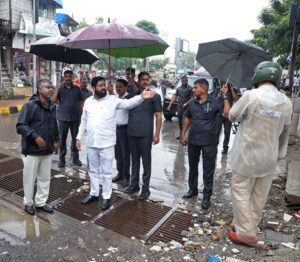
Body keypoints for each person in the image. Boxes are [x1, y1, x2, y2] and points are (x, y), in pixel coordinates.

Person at [228, 61, 292, 246]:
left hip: (246, 155)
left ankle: (246, 233)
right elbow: (285, 132)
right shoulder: (286, 102)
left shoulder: (251, 96)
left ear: (258, 76)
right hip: (269, 157)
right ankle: (247, 226)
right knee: (259, 195)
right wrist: (280, 154)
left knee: (240, 190)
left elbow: (232, 115)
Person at [76, 76, 156, 210]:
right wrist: (78, 137)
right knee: (93, 170)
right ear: (94, 88)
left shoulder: (112, 100)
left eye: (104, 85)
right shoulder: (88, 101)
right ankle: (94, 193)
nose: (104, 88)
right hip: (91, 142)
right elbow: (83, 120)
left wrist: (142, 97)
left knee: (107, 173)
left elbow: (128, 103)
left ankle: (106, 197)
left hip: (106, 143)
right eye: (100, 85)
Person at [181, 79, 230, 209]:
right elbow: (187, 117)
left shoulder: (215, 102)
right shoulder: (193, 103)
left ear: (203, 89)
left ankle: (206, 196)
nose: (193, 89)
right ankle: (193, 190)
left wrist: (225, 96)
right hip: (193, 141)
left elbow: (227, 114)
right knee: (192, 167)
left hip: (209, 142)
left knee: (208, 170)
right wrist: (183, 134)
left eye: (195, 87)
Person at [16, 79, 59, 216]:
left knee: (45, 178)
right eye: (47, 87)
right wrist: (35, 137)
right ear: (40, 90)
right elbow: (21, 126)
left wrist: (56, 140)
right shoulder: (30, 105)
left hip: (47, 150)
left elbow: (54, 125)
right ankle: (28, 203)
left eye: (52, 87)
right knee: (29, 178)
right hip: (32, 151)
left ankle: (41, 202)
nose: (51, 90)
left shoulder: (52, 106)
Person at [125, 72, 163, 200]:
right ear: (138, 81)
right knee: (134, 161)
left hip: (146, 135)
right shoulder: (131, 96)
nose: (145, 82)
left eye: (147, 80)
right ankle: (134, 184)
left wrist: (157, 134)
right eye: (142, 80)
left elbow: (158, 116)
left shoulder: (155, 97)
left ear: (150, 81)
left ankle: (145, 189)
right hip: (131, 133)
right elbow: (119, 104)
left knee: (146, 163)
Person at [52, 70, 84, 168]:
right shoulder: (60, 88)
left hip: (75, 118)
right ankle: (62, 159)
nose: (68, 78)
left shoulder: (77, 89)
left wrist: (81, 113)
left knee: (75, 139)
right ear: (64, 77)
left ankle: (75, 158)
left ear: (73, 77)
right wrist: (57, 89)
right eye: (66, 76)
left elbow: (81, 101)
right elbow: (53, 100)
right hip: (62, 118)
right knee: (62, 139)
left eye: (70, 76)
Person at [112, 79, 131, 187]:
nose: (118, 89)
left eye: (120, 87)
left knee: (125, 154)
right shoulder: (114, 98)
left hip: (125, 130)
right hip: (115, 129)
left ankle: (126, 176)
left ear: (126, 87)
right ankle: (119, 173)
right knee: (117, 153)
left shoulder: (128, 98)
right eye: (117, 87)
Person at [214, 84, 240, 154]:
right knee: (216, 131)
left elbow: (236, 99)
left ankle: (225, 148)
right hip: (219, 114)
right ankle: (214, 147)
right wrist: (219, 94)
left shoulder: (233, 89)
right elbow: (214, 100)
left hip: (228, 115)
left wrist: (231, 89)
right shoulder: (218, 88)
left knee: (227, 132)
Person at [167, 75, 193, 140]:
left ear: (187, 81)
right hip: (179, 107)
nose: (184, 82)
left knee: (184, 121)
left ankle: (182, 135)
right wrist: (170, 105)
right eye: (183, 80)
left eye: (186, 80)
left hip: (187, 107)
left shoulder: (190, 88)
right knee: (180, 121)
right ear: (181, 81)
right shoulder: (178, 89)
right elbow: (175, 97)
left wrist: (186, 104)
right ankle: (181, 134)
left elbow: (192, 98)